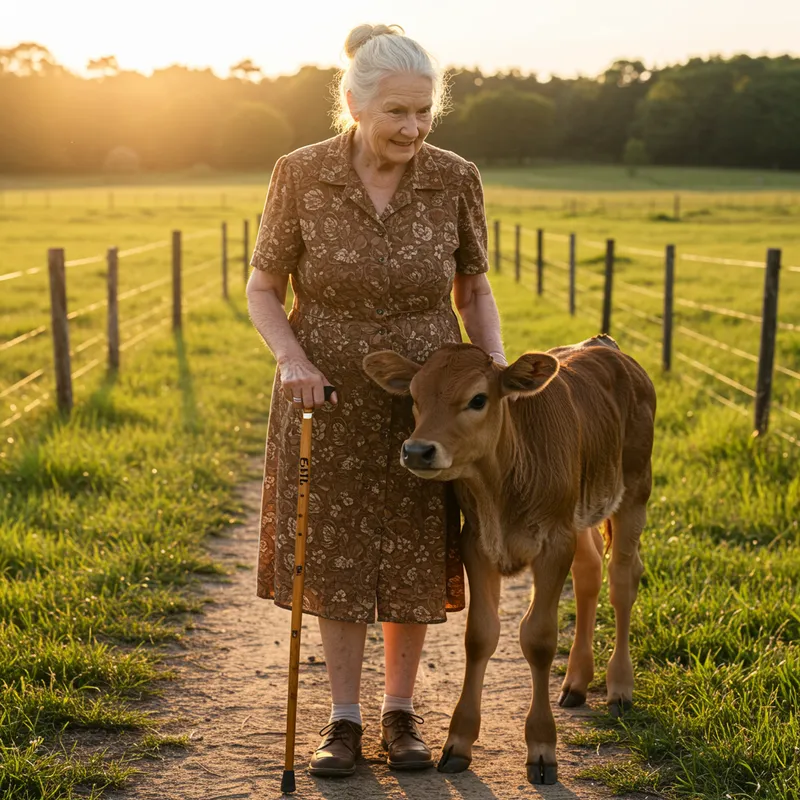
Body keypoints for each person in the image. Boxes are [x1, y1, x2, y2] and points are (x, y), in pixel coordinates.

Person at [246, 23, 506, 777]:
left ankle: (400, 713)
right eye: (397, 111)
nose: (414, 128)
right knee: (334, 551)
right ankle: (344, 719)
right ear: (355, 105)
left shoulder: (455, 178)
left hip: (428, 400)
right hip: (323, 393)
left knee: (412, 545)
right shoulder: (300, 174)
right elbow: (264, 288)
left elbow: (473, 290)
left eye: (425, 112)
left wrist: (491, 368)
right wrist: (291, 359)